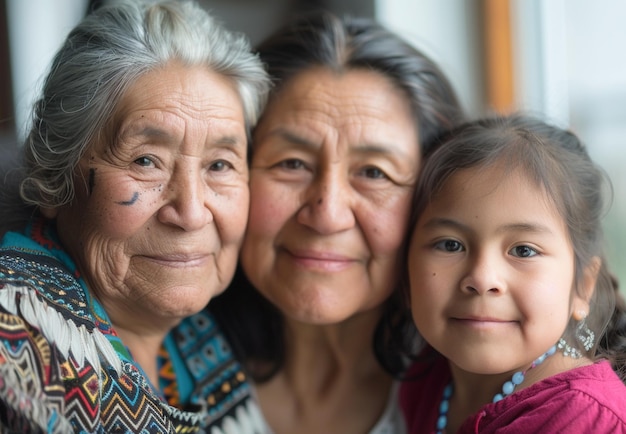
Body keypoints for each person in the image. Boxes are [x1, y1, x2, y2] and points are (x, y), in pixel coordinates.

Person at [0, 0, 269, 432]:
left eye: (219, 165)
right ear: (56, 179)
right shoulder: (14, 346)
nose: (192, 212)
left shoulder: (202, 335)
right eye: (146, 161)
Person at [209, 10, 464, 434]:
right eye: (292, 164)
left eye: (374, 173)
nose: (327, 215)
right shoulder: (157, 362)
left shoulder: (477, 397)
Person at [400, 114, 626, 433]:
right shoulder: (424, 379)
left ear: (582, 287)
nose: (482, 278)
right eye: (450, 245)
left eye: (523, 250)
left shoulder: (583, 418)